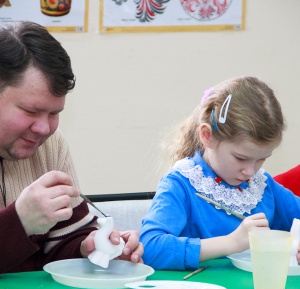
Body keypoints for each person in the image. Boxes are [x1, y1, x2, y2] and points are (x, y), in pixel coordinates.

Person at [0, 21, 143, 273]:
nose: (44, 129)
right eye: (31, 111)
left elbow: (62, 240)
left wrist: (89, 247)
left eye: (54, 113)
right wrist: (20, 222)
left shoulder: (51, 145)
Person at [140, 76, 300, 270]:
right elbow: (149, 248)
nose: (250, 171)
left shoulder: (262, 185)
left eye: (262, 159)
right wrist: (232, 243)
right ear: (207, 136)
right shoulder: (181, 183)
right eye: (240, 158)